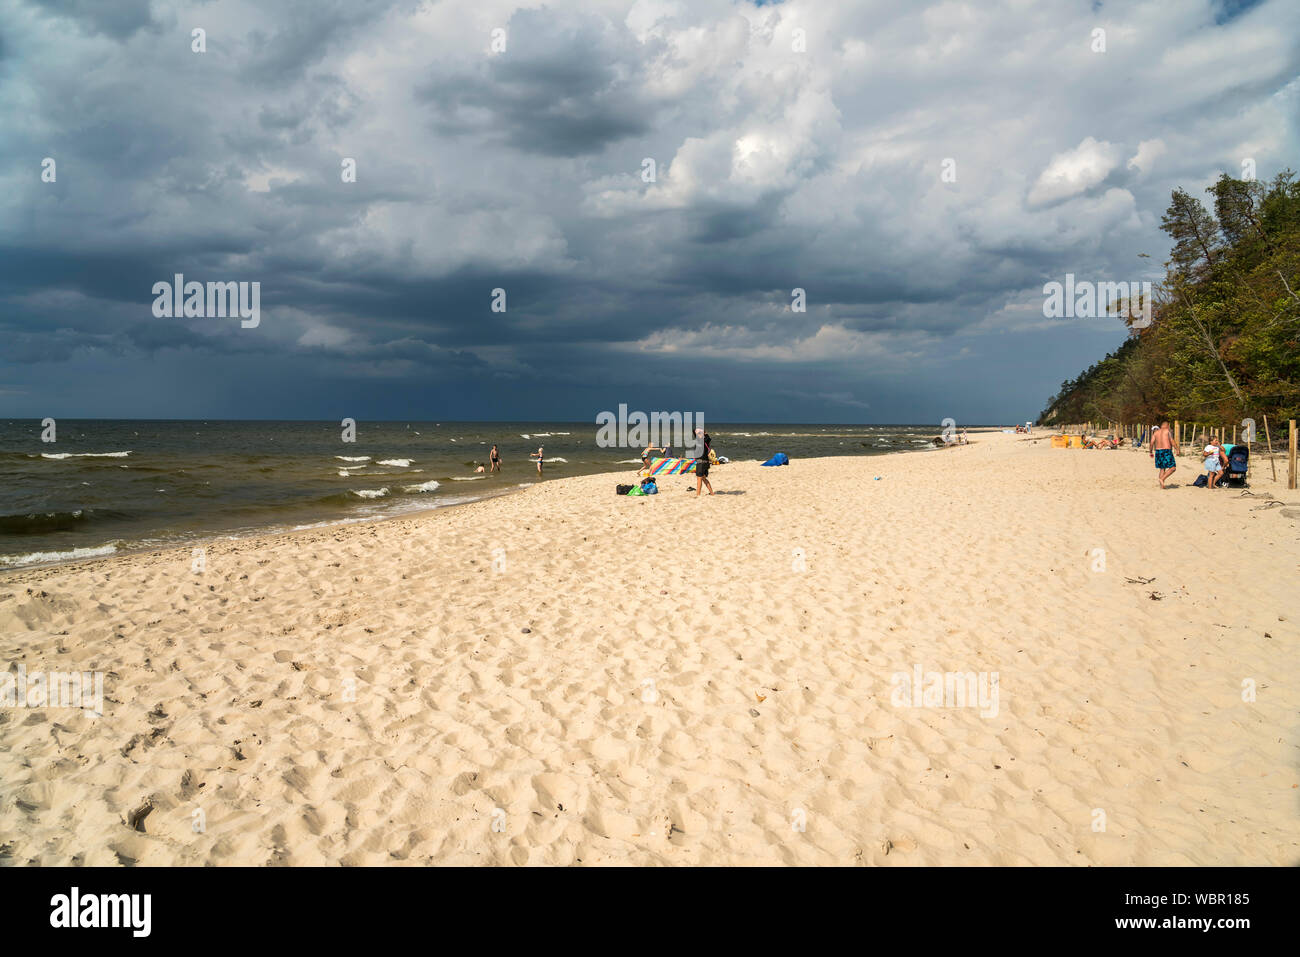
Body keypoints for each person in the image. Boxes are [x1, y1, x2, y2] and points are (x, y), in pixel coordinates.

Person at [1150, 420, 1179, 489]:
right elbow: (1172, 441)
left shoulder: (1156, 432)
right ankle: (1162, 479)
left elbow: (1151, 443)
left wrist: (1150, 452)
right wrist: (1177, 449)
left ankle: (1161, 485)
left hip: (1158, 451)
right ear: (1167, 426)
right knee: (1173, 468)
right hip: (1166, 451)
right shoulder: (1167, 431)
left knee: (1162, 469)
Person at [692, 428, 713, 496]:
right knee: (703, 478)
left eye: (700, 433)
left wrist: (704, 432)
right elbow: (694, 431)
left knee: (699, 479)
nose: (698, 434)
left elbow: (708, 437)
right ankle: (712, 493)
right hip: (702, 462)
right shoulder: (698, 440)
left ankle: (698, 495)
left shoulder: (705, 440)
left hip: (702, 462)